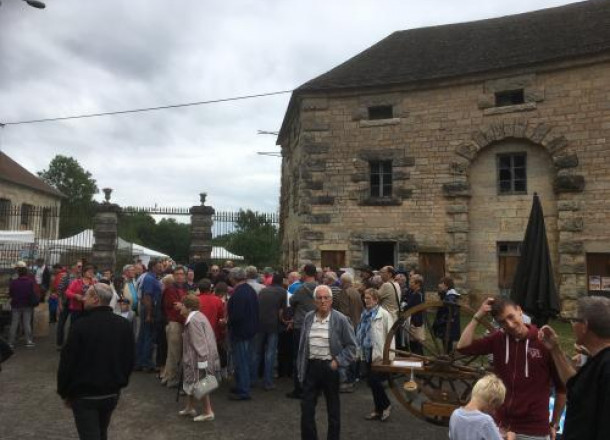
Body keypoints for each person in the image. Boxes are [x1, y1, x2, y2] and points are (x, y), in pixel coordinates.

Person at [457, 297, 566, 439]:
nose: (510, 324)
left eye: (511, 317)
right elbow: (462, 347)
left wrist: (555, 424)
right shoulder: (498, 339)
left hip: (534, 429)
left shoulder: (544, 342)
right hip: (502, 426)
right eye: (502, 322)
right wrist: (478, 315)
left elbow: (562, 388)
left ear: (519, 310)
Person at [57, 283, 135, 440]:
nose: (83, 298)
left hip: (85, 394)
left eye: (87, 295)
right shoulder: (123, 325)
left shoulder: (80, 326)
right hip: (111, 391)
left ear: (95, 299)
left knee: (91, 435)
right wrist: (120, 382)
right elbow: (129, 358)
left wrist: (64, 391)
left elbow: (67, 362)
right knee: (101, 432)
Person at [538, 296, 610, 440]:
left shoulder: (607, 366)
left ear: (584, 326)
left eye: (574, 320)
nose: (571, 325)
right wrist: (555, 350)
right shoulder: (598, 360)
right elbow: (576, 386)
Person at [297, 285, 357, 440]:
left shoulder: (340, 319)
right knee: (307, 409)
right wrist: (300, 367)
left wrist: (338, 361)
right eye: (319, 298)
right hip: (312, 367)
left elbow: (352, 347)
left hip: (330, 368)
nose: (323, 301)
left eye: (326, 298)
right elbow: (303, 345)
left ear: (331, 300)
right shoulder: (309, 317)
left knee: (333, 411)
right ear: (314, 301)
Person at [177, 294, 220, 422]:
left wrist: (202, 361)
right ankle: (190, 407)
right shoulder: (198, 316)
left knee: (200, 383)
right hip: (195, 357)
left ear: (189, 307)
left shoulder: (193, 320)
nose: (180, 307)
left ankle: (208, 412)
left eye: (183, 305)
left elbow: (199, 343)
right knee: (191, 381)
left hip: (197, 358)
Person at [357, 288, 394, 421]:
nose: (366, 300)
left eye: (369, 298)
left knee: (374, 380)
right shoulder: (365, 314)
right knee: (372, 382)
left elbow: (390, 336)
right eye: (365, 298)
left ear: (376, 300)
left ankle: (386, 404)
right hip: (367, 352)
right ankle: (378, 409)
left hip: (379, 353)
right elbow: (361, 332)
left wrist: (389, 356)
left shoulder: (383, 314)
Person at [227, 267, 259, 400]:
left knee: (242, 361)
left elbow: (237, 315)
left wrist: (227, 322)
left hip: (241, 331)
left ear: (233, 278)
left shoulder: (239, 293)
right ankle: (242, 385)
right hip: (250, 329)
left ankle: (244, 390)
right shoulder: (249, 290)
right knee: (245, 359)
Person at [287, 263, 317, 399]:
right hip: (316, 325)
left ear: (305, 273)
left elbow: (292, 301)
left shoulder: (301, 289)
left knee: (298, 357)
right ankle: (315, 387)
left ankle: (299, 388)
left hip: (301, 325)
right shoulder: (320, 288)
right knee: (314, 357)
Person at [254, 273, 287, 390]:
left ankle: (253, 379)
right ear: (282, 281)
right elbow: (282, 312)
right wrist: (285, 322)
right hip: (273, 325)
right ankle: (268, 382)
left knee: (257, 352)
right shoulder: (283, 292)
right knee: (270, 353)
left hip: (259, 323)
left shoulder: (264, 290)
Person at [449, 374, 506, 440]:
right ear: (491, 401)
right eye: (495, 407)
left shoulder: (455, 415)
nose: (494, 412)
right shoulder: (485, 421)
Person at [333, 272, 363, 392]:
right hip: (356, 324)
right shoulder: (355, 291)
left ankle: (346, 381)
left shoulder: (344, 292)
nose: (339, 283)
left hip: (347, 326)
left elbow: (343, 313)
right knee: (353, 352)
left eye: (340, 281)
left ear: (343, 281)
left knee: (346, 353)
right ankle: (354, 377)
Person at [162, 266, 188, 388]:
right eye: (177, 274)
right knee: (174, 353)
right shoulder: (170, 290)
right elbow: (176, 307)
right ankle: (171, 379)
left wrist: (183, 305)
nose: (179, 276)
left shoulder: (185, 288)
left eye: (181, 274)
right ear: (173, 275)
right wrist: (185, 305)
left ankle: (168, 377)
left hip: (182, 323)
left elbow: (182, 306)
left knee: (174, 353)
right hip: (174, 324)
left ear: (185, 275)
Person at [135, 260, 163, 372]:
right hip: (149, 309)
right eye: (158, 266)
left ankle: (140, 361)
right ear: (152, 268)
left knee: (144, 335)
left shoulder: (151, 278)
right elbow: (147, 297)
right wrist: (149, 314)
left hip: (148, 308)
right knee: (148, 335)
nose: (161, 268)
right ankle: (146, 362)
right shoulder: (150, 279)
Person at [8, 262, 36, 349]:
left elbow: (11, 293)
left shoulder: (13, 282)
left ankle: (10, 342)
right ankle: (28, 341)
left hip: (16, 305)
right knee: (27, 323)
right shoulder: (30, 282)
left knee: (14, 323)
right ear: (26, 273)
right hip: (27, 305)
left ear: (18, 273)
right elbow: (32, 293)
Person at [432, 276, 461, 353]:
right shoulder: (447, 295)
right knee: (446, 345)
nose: (439, 285)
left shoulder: (451, 296)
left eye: (441, 283)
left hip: (448, 326)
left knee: (447, 346)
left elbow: (451, 310)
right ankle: (448, 356)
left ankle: (448, 358)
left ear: (446, 285)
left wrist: (441, 321)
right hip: (446, 326)